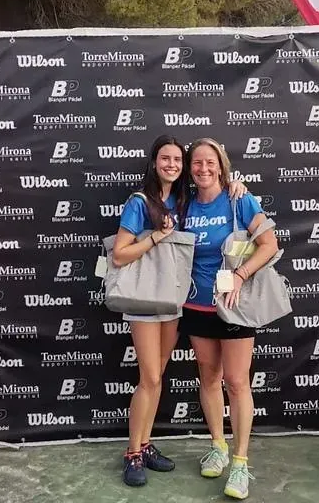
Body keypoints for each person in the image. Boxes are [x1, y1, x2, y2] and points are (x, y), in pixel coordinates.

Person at [111, 134, 248, 487]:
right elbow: (119, 254)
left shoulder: (184, 201)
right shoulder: (140, 202)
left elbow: (221, 198)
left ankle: (145, 444)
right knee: (151, 378)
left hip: (174, 302)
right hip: (144, 302)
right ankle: (132, 454)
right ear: (154, 162)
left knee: (159, 376)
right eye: (165, 159)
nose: (171, 165)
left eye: (177, 160)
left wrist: (236, 184)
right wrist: (156, 236)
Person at [179, 138, 278, 500]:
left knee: (236, 382)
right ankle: (218, 446)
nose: (203, 169)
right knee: (209, 376)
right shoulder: (184, 204)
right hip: (196, 305)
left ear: (221, 165)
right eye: (197, 164)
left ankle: (239, 462)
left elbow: (269, 244)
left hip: (235, 307)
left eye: (210, 163)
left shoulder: (239, 199)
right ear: (190, 170)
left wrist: (239, 275)